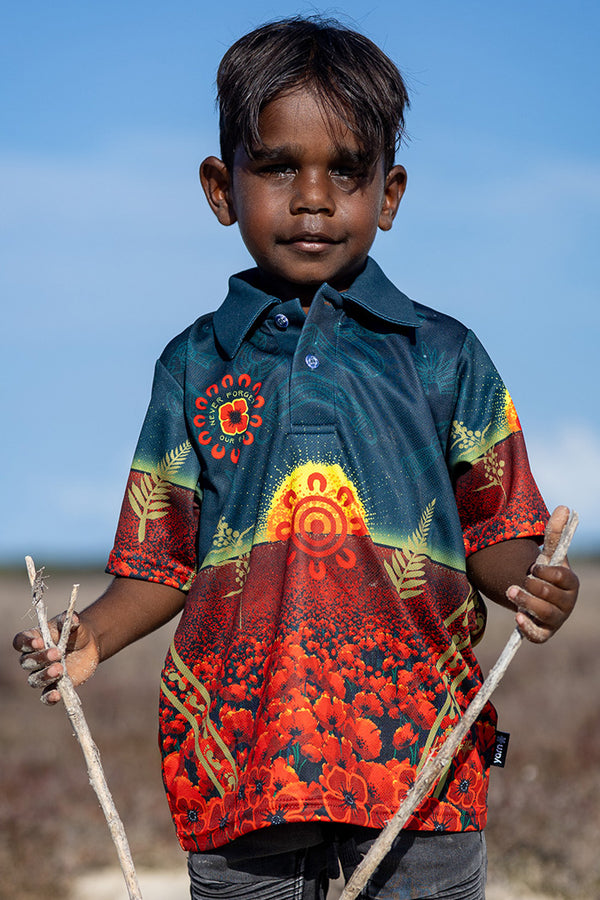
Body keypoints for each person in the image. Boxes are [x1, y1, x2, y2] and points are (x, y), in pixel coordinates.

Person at [14, 16, 579, 900]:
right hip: (240, 767)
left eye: (346, 171)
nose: (313, 198)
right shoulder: (194, 366)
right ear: (220, 187)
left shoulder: (445, 357)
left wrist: (530, 585)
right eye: (278, 167)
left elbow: (494, 532)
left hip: (421, 767)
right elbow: (161, 562)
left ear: (389, 194)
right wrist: (89, 643)